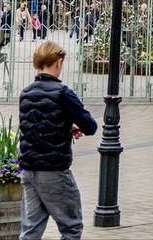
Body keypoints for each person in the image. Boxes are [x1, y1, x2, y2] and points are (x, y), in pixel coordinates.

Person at [19, 41, 98, 240]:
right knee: (71, 227)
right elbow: (90, 126)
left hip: (29, 170)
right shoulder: (63, 93)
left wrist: (65, 126)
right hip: (54, 170)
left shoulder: (26, 92)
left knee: (31, 230)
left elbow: (35, 125)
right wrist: (72, 124)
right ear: (59, 62)